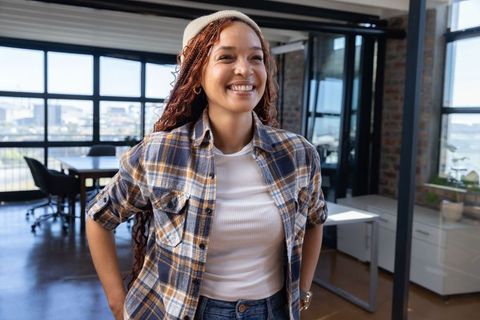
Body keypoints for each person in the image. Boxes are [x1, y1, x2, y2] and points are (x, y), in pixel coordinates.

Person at [86, 9, 327, 320]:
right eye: (226, 57)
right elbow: (99, 218)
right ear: (197, 71)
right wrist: (118, 304)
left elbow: (315, 219)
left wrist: (302, 292)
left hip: (272, 311)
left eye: (256, 58)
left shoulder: (297, 154)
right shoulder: (161, 152)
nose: (245, 69)